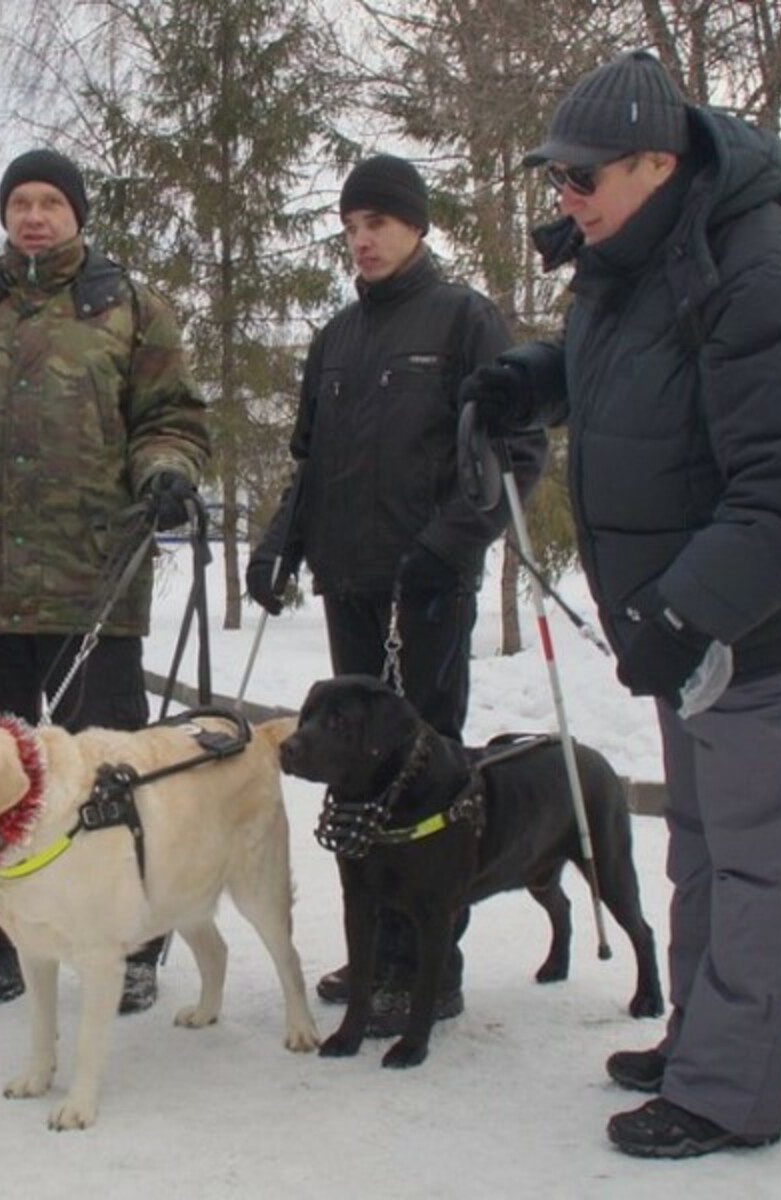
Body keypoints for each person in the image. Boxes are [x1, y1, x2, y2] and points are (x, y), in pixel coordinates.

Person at [463, 50, 781, 1158]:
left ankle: (730, 1094)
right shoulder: (637, 255)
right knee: (702, 843)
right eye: (554, 177)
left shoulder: (761, 266)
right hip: (693, 628)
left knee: (762, 861)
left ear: (658, 161)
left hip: (767, 624)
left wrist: (683, 615)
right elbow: (643, 370)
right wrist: (534, 377)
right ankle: (705, 1040)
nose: (563, 198)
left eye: (581, 177)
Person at [0, 148, 211, 1011]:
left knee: (106, 772)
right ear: (5, 214)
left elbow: (170, 417)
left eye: (51, 203)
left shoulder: (132, 310)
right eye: (21, 202)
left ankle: (134, 940)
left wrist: (167, 473)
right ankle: (14, 934)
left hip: (96, 582)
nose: (35, 216)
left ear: (77, 215)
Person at [245, 155, 546, 1032]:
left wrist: (447, 547)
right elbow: (309, 464)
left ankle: (430, 967)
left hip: (429, 588)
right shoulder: (335, 337)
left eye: (377, 222)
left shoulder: (463, 320)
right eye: (350, 226)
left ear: (416, 227)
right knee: (357, 773)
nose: (362, 240)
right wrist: (277, 544)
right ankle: (377, 950)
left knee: (428, 773)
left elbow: (517, 456)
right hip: (351, 584)